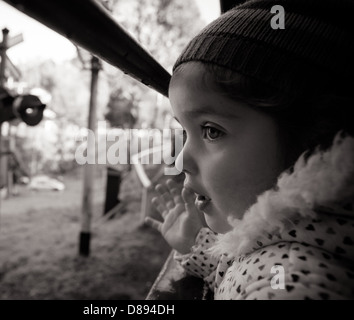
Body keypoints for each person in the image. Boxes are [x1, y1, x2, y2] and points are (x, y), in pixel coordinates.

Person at [145, 0, 354, 299]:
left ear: (311, 138)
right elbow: (235, 267)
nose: (181, 160)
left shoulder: (290, 281)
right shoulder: (279, 238)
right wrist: (192, 242)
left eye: (211, 131)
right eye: (184, 131)